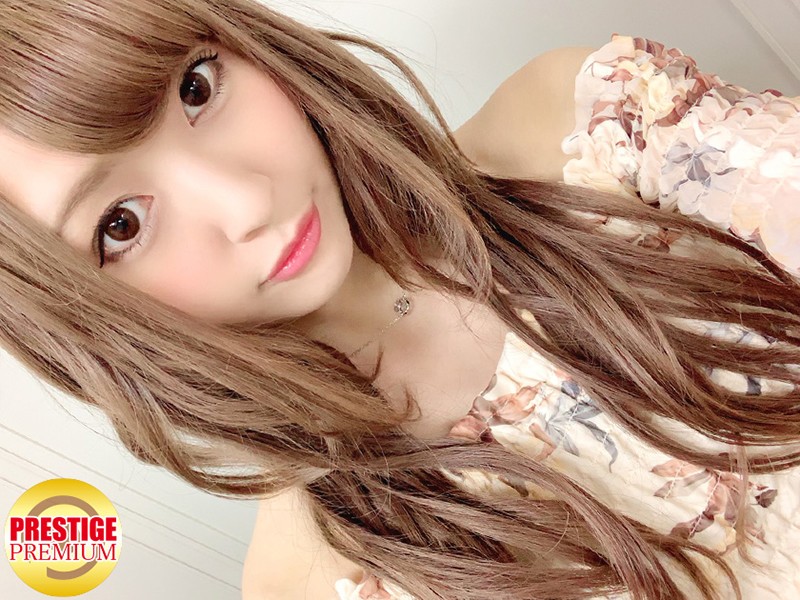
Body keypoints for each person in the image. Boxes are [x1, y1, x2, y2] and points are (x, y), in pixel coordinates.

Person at [0, 1, 798, 599]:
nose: (246, 200)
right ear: (87, 317)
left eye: (198, 88)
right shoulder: (318, 578)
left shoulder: (583, 127)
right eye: (122, 223)